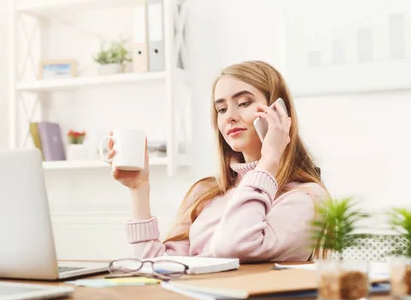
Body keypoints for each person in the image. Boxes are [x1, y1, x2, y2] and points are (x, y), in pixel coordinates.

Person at [106, 60, 329, 262]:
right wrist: (139, 189)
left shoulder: (305, 198)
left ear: (278, 112)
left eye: (243, 103)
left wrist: (271, 158)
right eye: (221, 109)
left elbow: (232, 247)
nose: (230, 116)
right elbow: (155, 265)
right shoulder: (206, 192)